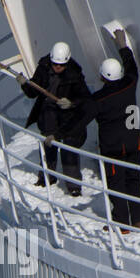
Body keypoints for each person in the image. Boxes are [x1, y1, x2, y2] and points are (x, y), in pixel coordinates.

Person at [81, 29, 140, 230]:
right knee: (134, 181)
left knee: (116, 185)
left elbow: (80, 118)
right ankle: (138, 221)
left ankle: (122, 223)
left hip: (114, 149)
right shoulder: (130, 84)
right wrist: (123, 47)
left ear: (102, 76)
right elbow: (132, 68)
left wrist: (58, 134)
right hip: (134, 143)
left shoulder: (98, 99)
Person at [22, 41, 90, 196]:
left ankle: (73, 187)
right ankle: (46, 178)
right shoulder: (44, 68)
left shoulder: (75, 74)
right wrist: (24, 84)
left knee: (69, 150)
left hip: (68, 116)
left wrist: (71, 103)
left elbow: (86, 98)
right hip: (49, 112)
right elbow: (32, 92)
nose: (58, 67)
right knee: (48, 144)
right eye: (55, 64)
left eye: (61, 65)